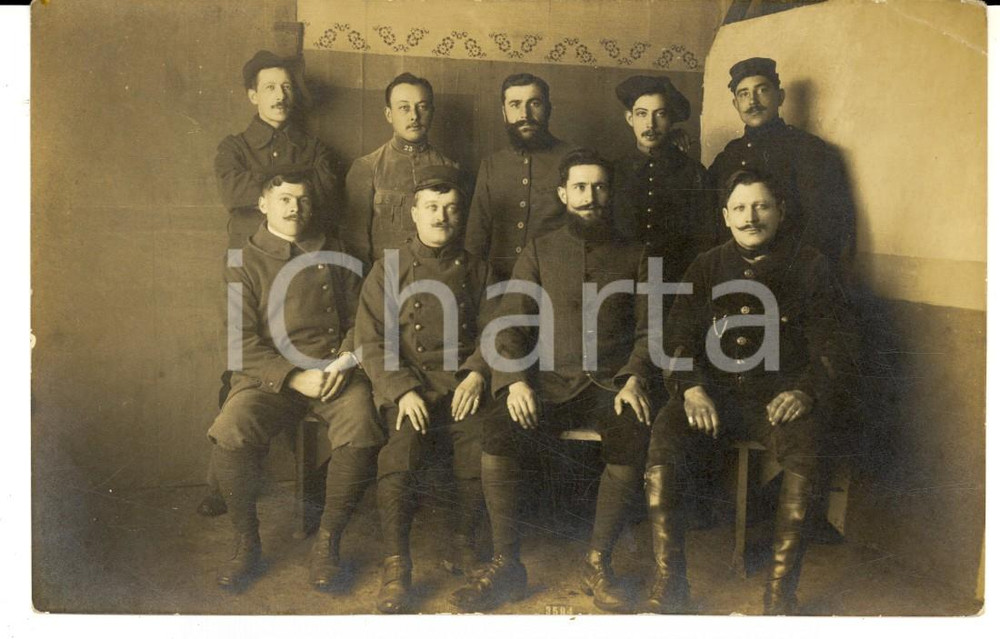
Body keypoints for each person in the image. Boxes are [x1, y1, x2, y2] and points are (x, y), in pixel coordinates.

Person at [450, 149, 654, 613]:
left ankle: (598, 563)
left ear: (611, 193)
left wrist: (634, 378)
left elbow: (651, 331)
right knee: (498, 427)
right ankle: (506, 564)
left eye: (599, 187)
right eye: (580, 187)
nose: (590, 196)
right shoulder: (540, 249)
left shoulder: (638, 254)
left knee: (632, 429)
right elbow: (509, 324)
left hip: (609, 385)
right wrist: (515, 381)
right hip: (547, 383)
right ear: (563, 194)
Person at [644, 169, 847, 614]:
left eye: (761, 206)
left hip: (776, 399)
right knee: (665, 434)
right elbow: (676, 338)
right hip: (711, 396)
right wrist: (690, 389)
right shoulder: (706, 265)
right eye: (739, 208)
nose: (750, 217)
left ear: (780, 211)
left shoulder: (811, 266)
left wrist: (805, 392)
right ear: (725, 216)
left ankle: (779, 594)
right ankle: (669, 581)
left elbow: (833, 345)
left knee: (806, 447)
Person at [206, 170, 383, 592]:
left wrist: (344, 362)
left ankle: (328, 542)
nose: (294, 208)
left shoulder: (338, 252)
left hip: (333, 372)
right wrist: (293, 377)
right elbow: (238, 343)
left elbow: (364, 320)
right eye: (284, 199)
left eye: (302, 200)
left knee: (362, 425)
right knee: (230, 430)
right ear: (263, 204)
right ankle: (246, 544)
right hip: (270, 376)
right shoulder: (242, 261)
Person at [200, 50, 340, 518]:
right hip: (251, 262)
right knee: (239, 373)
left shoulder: (315, 146)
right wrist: (289, 179)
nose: (280, 96)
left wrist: (274, 184)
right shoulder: (234, 146)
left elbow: (325, 195)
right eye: (270, 88)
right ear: (252, 96)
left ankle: (307, 483)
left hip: (302, 263)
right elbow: (233, 192)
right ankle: (224, 481)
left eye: (287, 87)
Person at [353, 165, 499, 614]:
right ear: (414, 213)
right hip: (410, 384)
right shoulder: (387, 268)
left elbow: (498, 330)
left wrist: (477, 373)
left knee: (480, 445)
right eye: (432, 208)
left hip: (461, 384)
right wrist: (401, 390)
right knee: (399, 453)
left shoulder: (478, 269)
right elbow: (369, 340)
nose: (441, 217)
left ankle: (463, 541)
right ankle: (397, 564)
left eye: (451, 209)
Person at [707, 57, 856, 268]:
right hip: (737, 271)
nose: (752, 101)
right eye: (744, 94)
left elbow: (827, 225)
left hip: (794, 270)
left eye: (762, 90)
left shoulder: (810, 149)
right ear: (736, 104)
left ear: (780, 96)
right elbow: (709, 216)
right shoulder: (729, 155)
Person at [464, 73, 575, 281]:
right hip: (499, 284)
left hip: (554, 281)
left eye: (534, 103)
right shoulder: (491, 165)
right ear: (504, 112)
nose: (525, 114)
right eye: (515, 104)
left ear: (548, 109)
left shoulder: (573, 160)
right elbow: (475, 239)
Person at [341, 73, 459, 269]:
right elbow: (355, 243)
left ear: (432, 112)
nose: (414, 116)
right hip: (385, 278)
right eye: (404, 108)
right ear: (389, 114)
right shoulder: (367, 167)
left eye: (422, 107)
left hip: (435, 276)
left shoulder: (450, 168)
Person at [612, 74, 714, 285]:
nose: (650, 124)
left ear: (671, 120)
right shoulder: (614, 171)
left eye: (660, 114)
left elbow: (705, 239)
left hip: (677, 281)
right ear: (630, 118)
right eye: (642, 114)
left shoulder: (693, 173)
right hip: (623, 282)